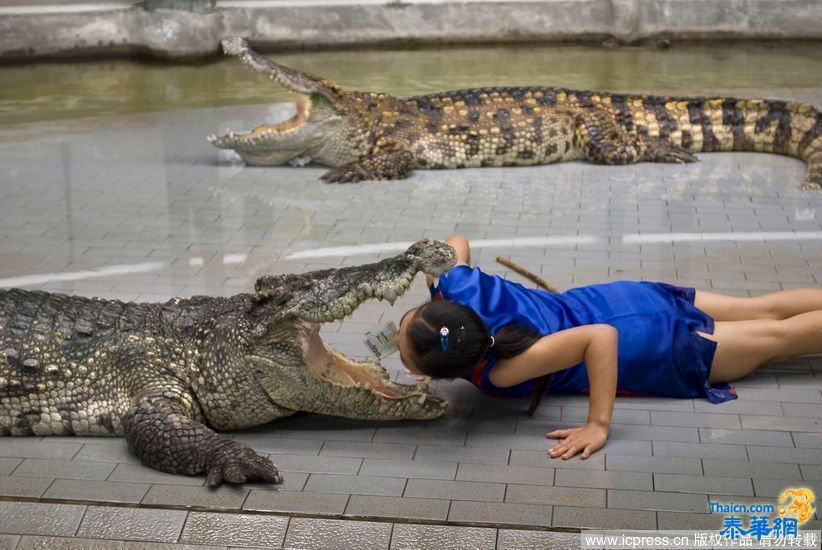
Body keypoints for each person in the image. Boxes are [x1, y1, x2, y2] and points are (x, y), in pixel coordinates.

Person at [393, 236, 822, 461]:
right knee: (765, 311)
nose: (395, 336)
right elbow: (457, 241)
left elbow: (602, 338)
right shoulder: (457, 286)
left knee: (783, 341)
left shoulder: (500, 371)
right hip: (628, 300)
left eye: (401, 336)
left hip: (652, 347)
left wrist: (598, 424)